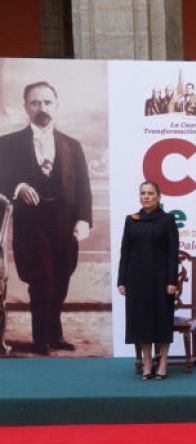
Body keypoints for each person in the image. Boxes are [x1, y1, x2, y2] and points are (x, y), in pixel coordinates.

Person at [0, 81, 92, 354]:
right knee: (42, 280)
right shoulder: (7, 143)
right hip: (31, 224)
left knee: (61, 279)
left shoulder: (72, 145)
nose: (42, 108)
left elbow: (83, 187)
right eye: (35, 102)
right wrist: (18, 187)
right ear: (26, 107)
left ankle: (55, 335)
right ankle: (41, 338)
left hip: (64, 222)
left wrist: (83, 219)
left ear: (56, 105)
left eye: (47, 102)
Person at [117, 181, 179, 380]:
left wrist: (172, 281)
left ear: (159, 197)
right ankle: (147, 363)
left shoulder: (168, 220)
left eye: (151, 193)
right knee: (142, 322)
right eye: (143, 193)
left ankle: (162, 363)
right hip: (137, 280)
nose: (146, 197)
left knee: (161, 320)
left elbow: (173, 253)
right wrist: (122, 280)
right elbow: (125, 252)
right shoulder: (131, 220)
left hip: (162, 280)